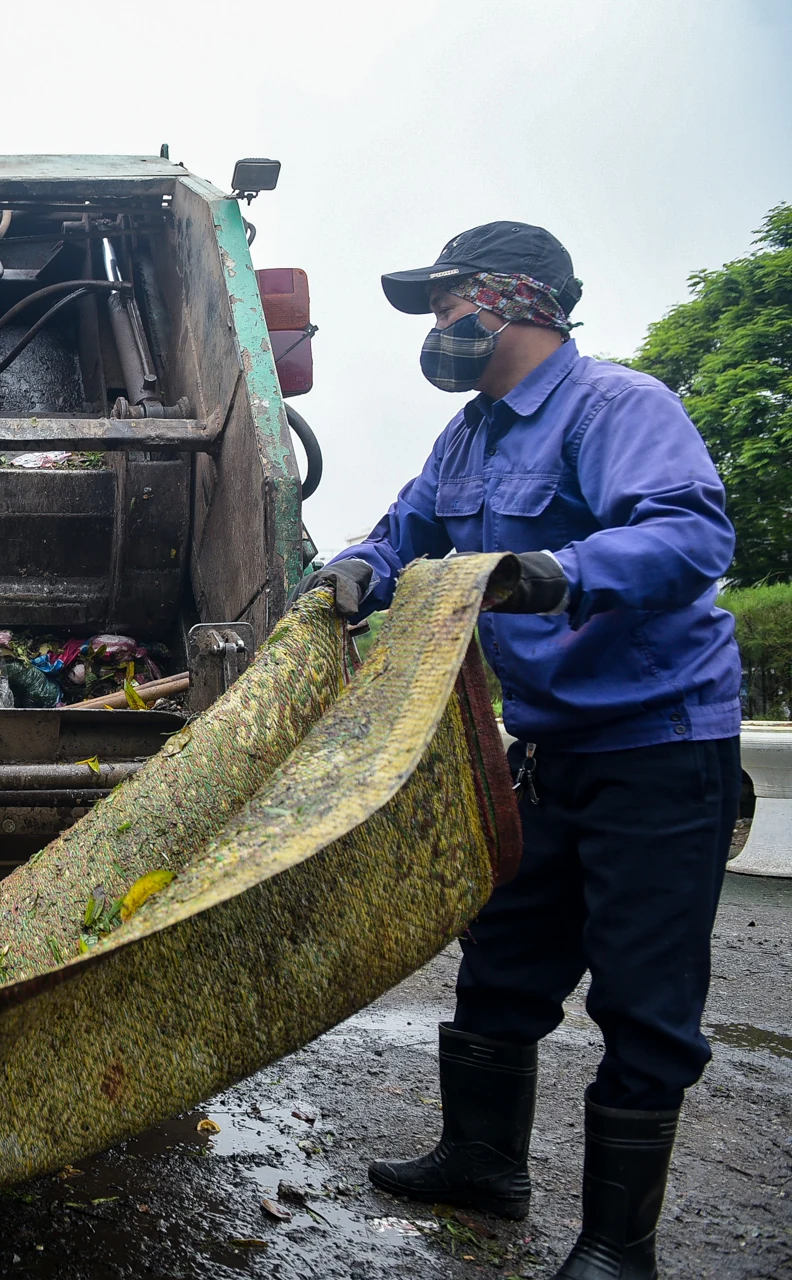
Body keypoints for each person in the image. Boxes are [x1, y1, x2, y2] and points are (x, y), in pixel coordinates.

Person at [297, 223, 741, 1280]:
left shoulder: (616, 406)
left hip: (658, 747)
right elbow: (404, 534)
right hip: (548, 748)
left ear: (516, 303)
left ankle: (618, 1246)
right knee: (502, 959)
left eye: (449, 306)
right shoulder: (468, 438)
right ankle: (483, 1162)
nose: (438, 329)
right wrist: (356, 570)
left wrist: (558, 569)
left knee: (642, 995)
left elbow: (692, 535)